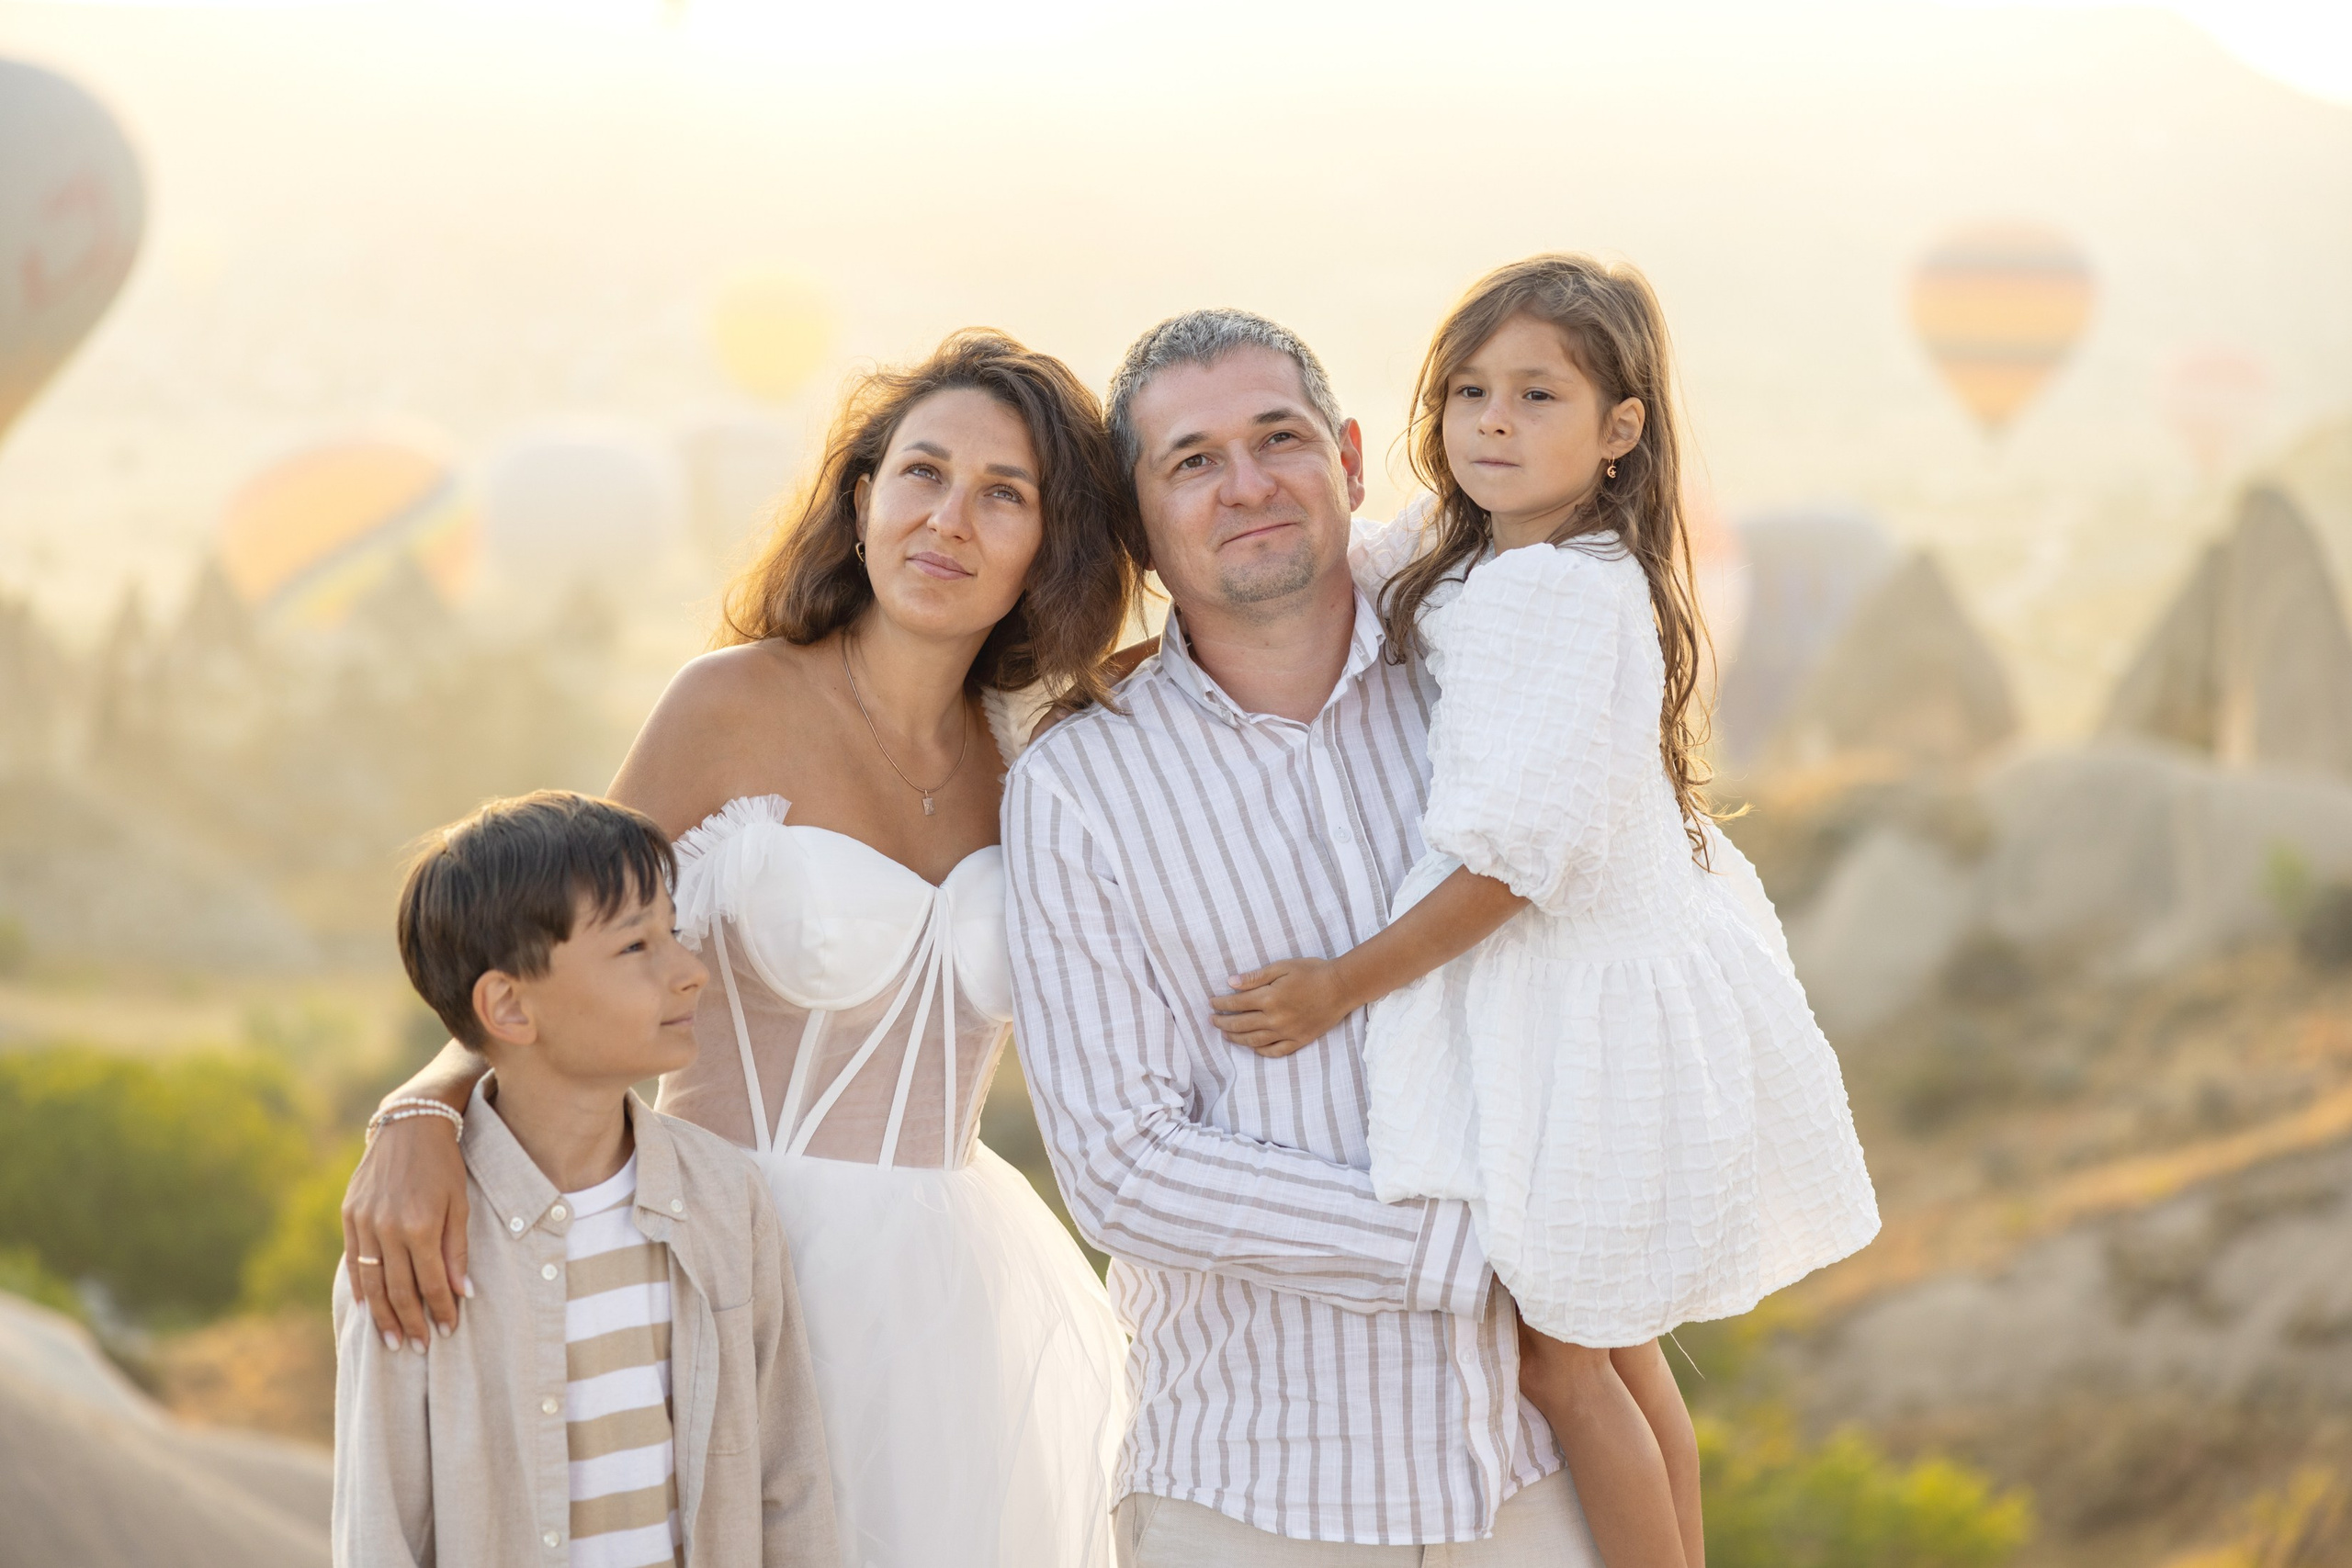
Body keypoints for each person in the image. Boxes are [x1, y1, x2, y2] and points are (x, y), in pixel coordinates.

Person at [341, 331, 1138, 1567]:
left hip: (950, 1293)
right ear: (863, 497)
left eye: (1004, 494)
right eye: (921, 473)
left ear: (1053, 540)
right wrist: (420, 1111)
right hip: (715, 1247)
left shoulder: (1049, 754)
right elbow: (548, 958)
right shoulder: (730, 703)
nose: (949, 520)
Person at [1205, 256, 1883, 1568]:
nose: (1493, 422)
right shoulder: (1494, 554)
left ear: (1620, 429)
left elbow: (1514, 866)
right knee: (1611, 1336)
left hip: (1582, 999)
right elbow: (1338, 556)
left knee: (1559, 1357)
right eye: (1469, 392)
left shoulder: (1558, 594)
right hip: (1594, 982)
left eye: (1536, 395)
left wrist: (1341, 985)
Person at [1005, 308, 1601, 1567]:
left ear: (1347, 455)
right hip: (1254, 1489)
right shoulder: (1078, 783)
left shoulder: (1478, 664)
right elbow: (1121, 1162)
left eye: (1278, 438)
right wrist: (1464, 1242)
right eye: (1193, 459)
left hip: (1538, 1467)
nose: (1248, 484)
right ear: (1141, 518)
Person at [334, 790, 837, 1568]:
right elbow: (381, 1527)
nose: (690, 972)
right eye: (636, 947)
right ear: (507, 1003)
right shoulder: (415, 1237)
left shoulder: (725, 1198)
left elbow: (789, 1476)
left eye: (673, 933)